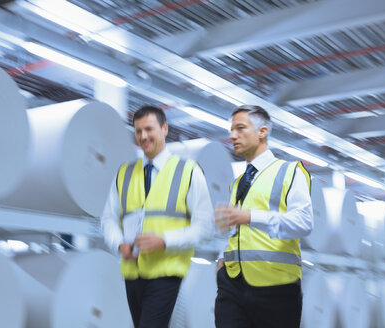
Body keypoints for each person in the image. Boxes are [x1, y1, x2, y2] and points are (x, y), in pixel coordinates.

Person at [101, 105, 214, 328]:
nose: (143, 136)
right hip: (132, 274)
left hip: (166, 272)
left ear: (164, 129)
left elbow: (205, 226)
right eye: (138, 131)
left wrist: (164, 241)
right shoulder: (123, 173)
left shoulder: (189, 171)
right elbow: (108, 219)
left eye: (149, 129)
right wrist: (118, 243)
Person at [214, 105, 313, 328]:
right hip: (232, 285)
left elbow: (304, 223)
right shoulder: (239, 181)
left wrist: (251, 216)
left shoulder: (291, 171)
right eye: (231, 130)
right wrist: (221, 258)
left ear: (262, 132)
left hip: (276, 287)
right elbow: (236, 230)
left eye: (240, 128)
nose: (232, 136)